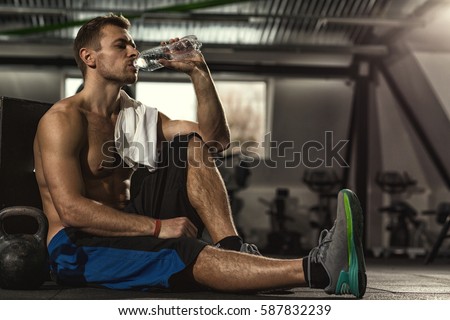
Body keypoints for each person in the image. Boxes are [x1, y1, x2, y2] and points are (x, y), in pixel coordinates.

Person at [33, 13, 366, 297]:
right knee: (180, 251)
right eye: (122, 45)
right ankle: (320, 270)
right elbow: (72, 210)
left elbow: (214, 141)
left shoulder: (132, 115)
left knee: (189, 144)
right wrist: (157, 227)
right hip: (77, 248)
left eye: (132, 44)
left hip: (130, 226)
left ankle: (232, 247)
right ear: (89, 57)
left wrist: (199, 72)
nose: (134, 51)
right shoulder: (63, 121)